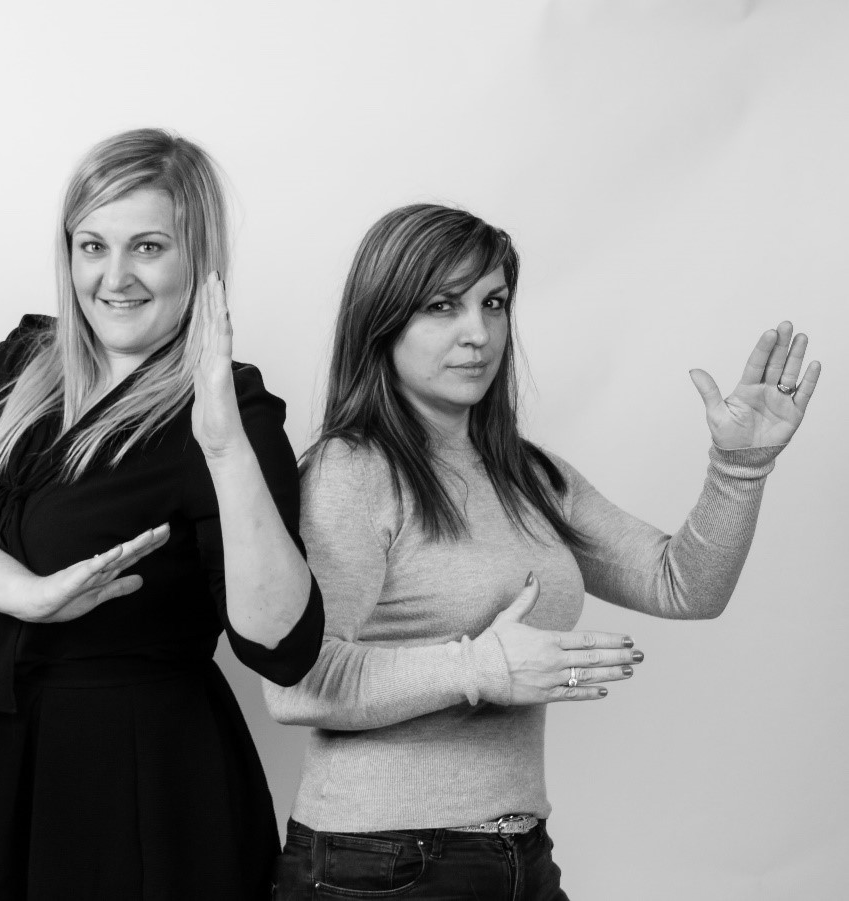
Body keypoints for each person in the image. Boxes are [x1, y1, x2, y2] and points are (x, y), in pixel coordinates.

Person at [265, 203, 819, 900]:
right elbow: (296, 685)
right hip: (377, 863)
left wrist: (739, 468)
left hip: (519, 854)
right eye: (441, 305)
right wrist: (478, 666)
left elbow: (683, 584)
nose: (477, 333)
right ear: (383, 320)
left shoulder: (527, 473)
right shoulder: (352, 471)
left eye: (492, 303)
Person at [0, 128, 323, 900]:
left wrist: (225, 450)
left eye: (148, 247)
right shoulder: (25, 360)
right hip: (0, 753)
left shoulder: (233, 406)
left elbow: (282, 645)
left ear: (198, 256)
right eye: (91, 245)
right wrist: (28, 594)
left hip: (142, 779)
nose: (114, 277)